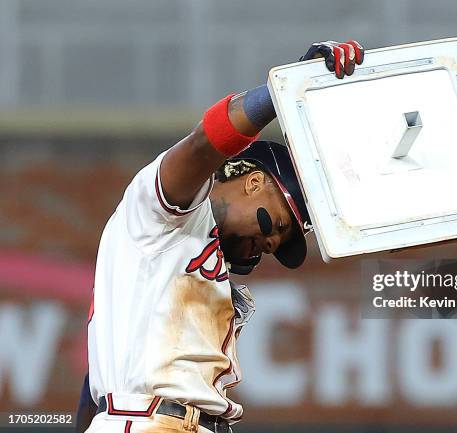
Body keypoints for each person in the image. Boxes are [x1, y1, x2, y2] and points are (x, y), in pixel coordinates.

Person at [76, 40, 365, 433]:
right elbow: (202, 145)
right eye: (277, 225)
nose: (271, 243)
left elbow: (92, 386)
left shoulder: (193, 254)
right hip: (146, 420)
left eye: (280, 243)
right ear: (254, 182)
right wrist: (281, 92)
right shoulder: (164, 213)